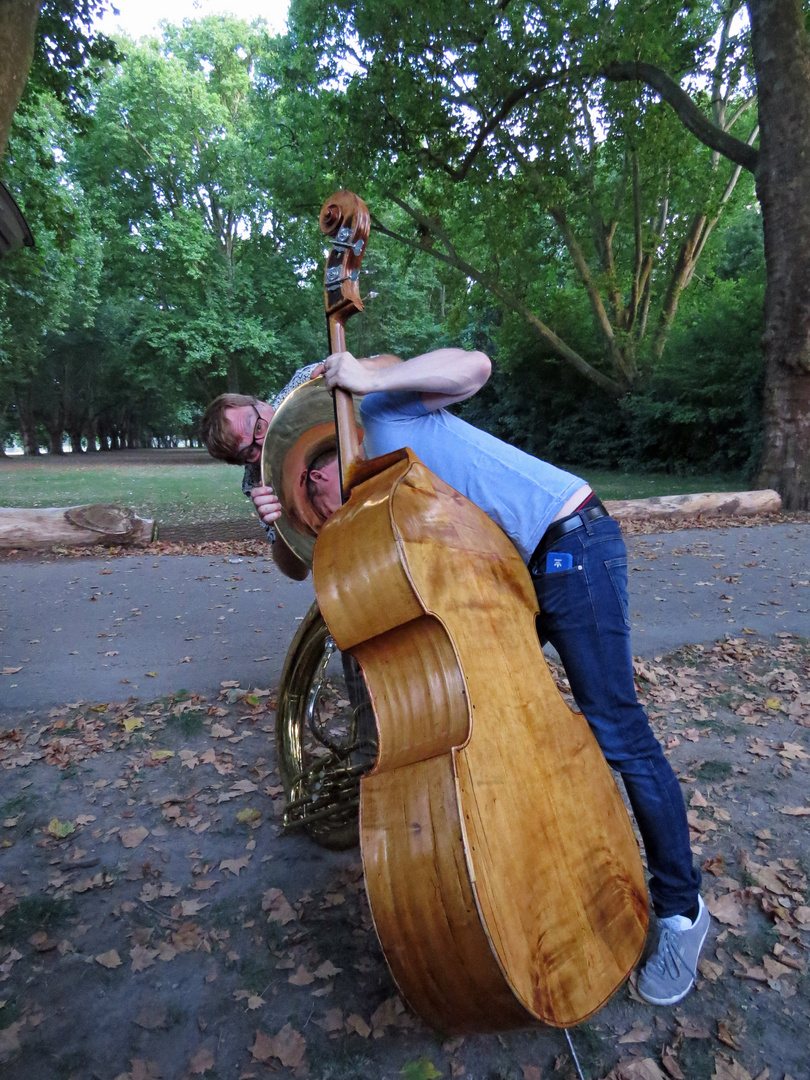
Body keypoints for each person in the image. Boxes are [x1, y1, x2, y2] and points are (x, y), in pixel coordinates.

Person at [303, 345, 710, 1008]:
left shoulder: (382, 408)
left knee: (618, 732)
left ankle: (682, 915)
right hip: (515, 573)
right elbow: (314, 560)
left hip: (570, 539)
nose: (320, 503)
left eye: (314, 488)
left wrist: (369, 375)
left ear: (326, 456)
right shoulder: (367, 494)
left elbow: (477, 366)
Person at [200, 365, 320, 580]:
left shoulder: (302, 385)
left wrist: (348, 371)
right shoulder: (258, 483)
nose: (263, 443)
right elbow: (297, 572)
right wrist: (281, 526)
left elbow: (391, 365)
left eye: (256, 428)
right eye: (250, 452)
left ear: (260, 403)